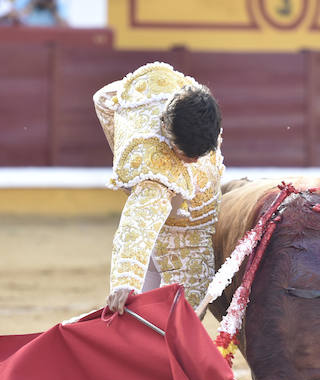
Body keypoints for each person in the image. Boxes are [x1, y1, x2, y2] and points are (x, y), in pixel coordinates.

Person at [93, 62, 223, 314]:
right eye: (186, 153)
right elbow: (138, 225)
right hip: (178, 234)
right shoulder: (156, 166)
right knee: (162, 322)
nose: (195, 160)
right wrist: (125, 282)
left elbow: (106, 98)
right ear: (166, 130)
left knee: (180, 320)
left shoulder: (181, 96)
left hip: (197, 224)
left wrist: (123, 147)